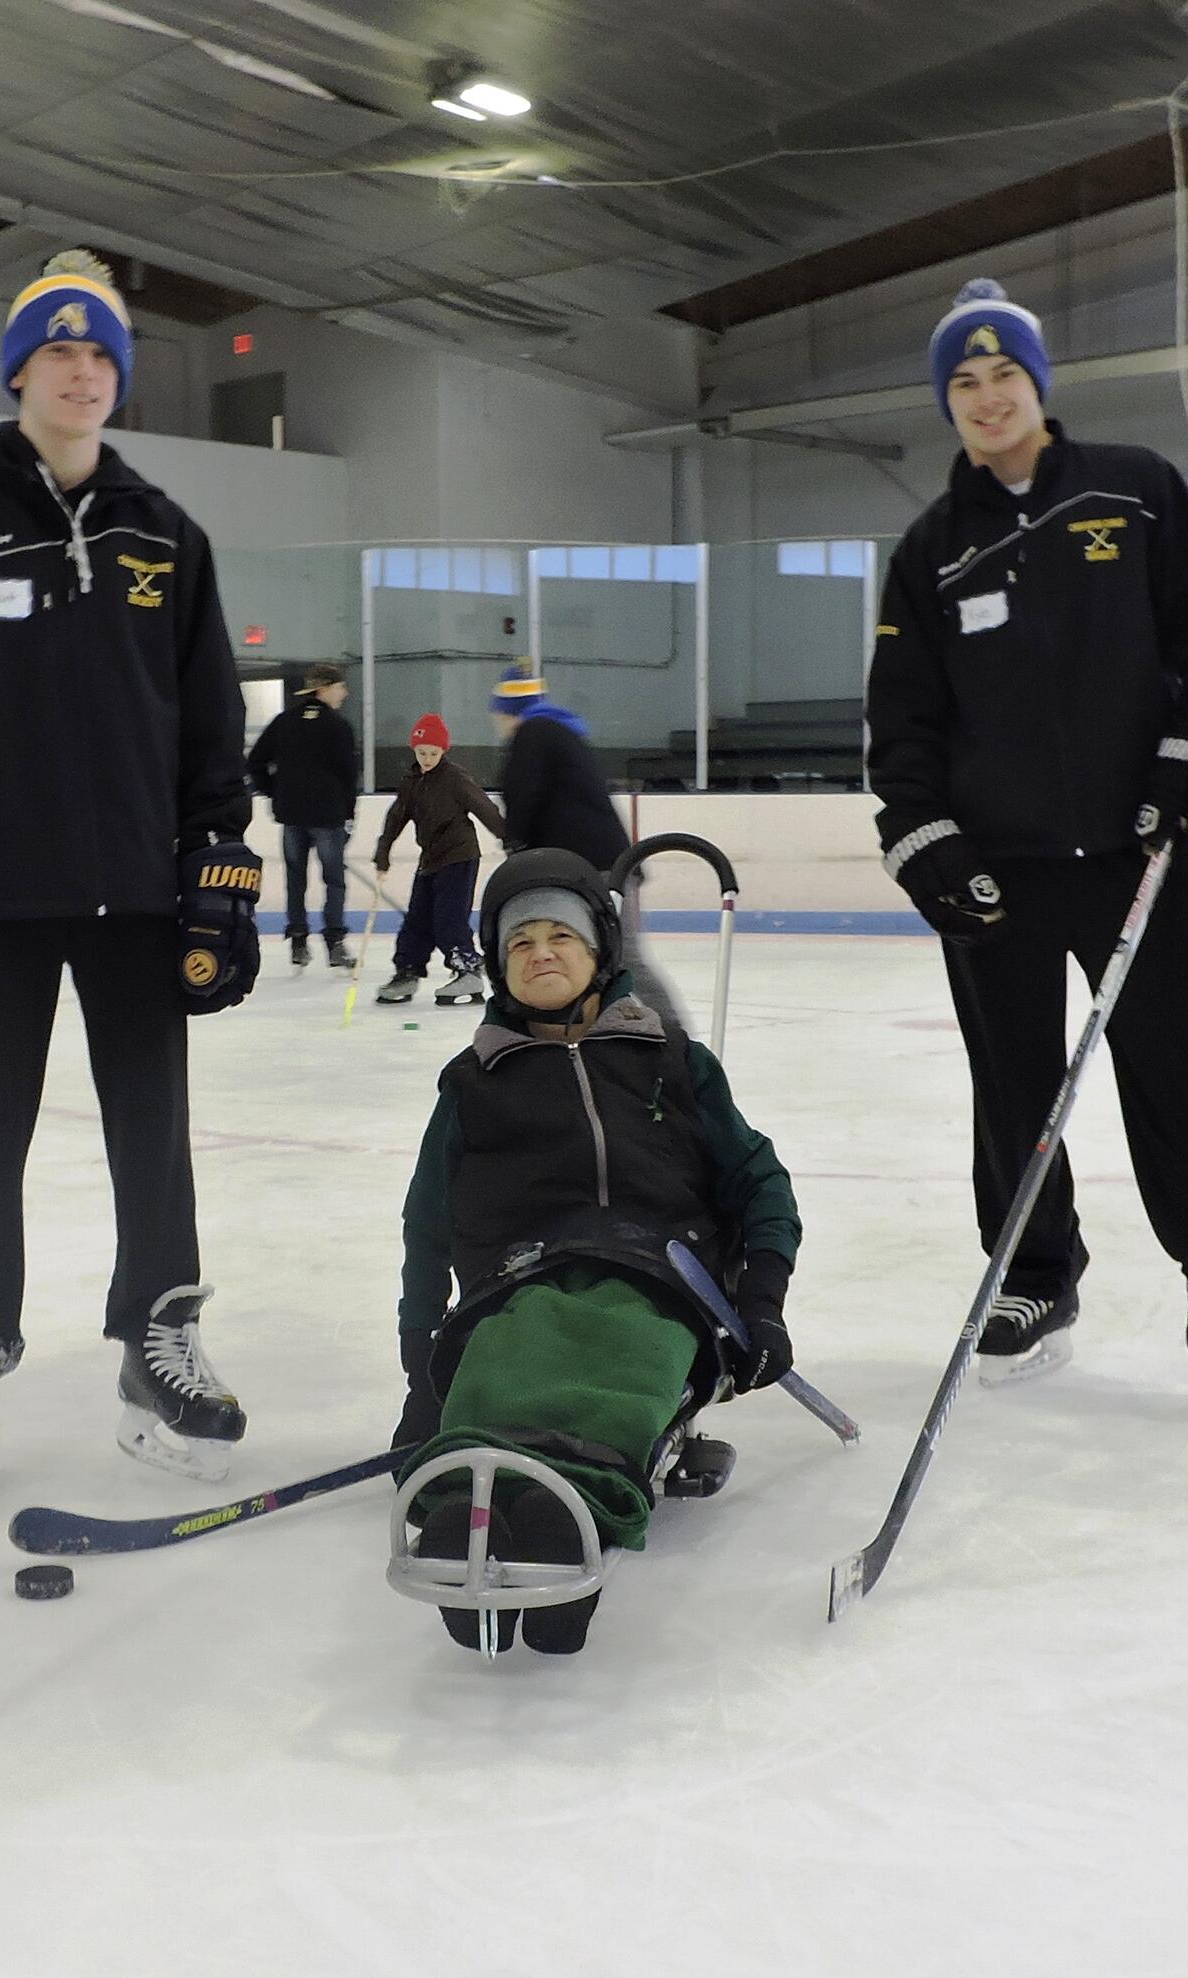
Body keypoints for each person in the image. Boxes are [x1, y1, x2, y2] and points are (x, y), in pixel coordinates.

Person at [0, 249, 262, 1501]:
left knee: (153, 1131)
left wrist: (218, 870)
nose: (80, 371)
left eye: (100, 353)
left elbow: (207, 729)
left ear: (119, 378)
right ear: (19, 368)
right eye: (58, 349)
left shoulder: (165, 535)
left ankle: (158, 1336)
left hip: (137, 892)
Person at [865, 275, 1188, 1407]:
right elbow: (902, 725)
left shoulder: (1135, 494)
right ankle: (1028, 1277)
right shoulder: (929, 550)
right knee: (1011, 1087)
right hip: (999, 875)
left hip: (1140, 858)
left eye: (1002, 375)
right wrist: (925, 842)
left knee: (1176, 1078)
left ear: (1037, 384)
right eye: (963, 383)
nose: (985, 398)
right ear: (947, 402)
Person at [391, 848, 802, 1653]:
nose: (541, 953)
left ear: (600, 952)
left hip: (656, 1275)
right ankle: (470, 1501)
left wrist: (762, 1301)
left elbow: (762, 1184)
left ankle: (571, 1512)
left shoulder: (672, 1062)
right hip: (514, 1279)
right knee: (511, 1345)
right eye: (519, 943)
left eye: (560, 936)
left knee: (623, 1341)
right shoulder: (474, 1083)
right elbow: (427, 1220)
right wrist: (419, 1350)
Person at [491, 659, 686, 1025]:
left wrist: (517, 847)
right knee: (597, 957)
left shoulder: (533, 733)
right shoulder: (561, 732)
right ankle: (602, 1030)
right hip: (604, 863)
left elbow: (522, 794)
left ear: (507, 710)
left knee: (621, 957)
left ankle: (677, 1038)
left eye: (498, 714)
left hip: (595, 868)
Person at [373, 713, 506, 1007]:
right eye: (422, 753)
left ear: (443, 751)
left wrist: (509, 838)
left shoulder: (454, 777)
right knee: (417, 919)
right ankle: (407, 971)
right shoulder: (412, 781)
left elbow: (483, 807)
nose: (427, 758)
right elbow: (396, 817)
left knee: (449, 918)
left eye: (433, 753)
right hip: (430, 859)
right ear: (414, 750)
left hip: (459, 857)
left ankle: (467, 970)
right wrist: (383, 851)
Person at [246, 662, 358, 969]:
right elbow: (349, 776)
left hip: (292, 816)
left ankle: (298, 942)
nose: (344, 693)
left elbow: (255, 762)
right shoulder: (339, 726)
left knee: (295, 880)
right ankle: (335, 942)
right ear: (323, 689)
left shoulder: (284, 722)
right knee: (334, 879)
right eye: (340, 687)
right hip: (329, 817)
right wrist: (349, 814)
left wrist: (275, 793)